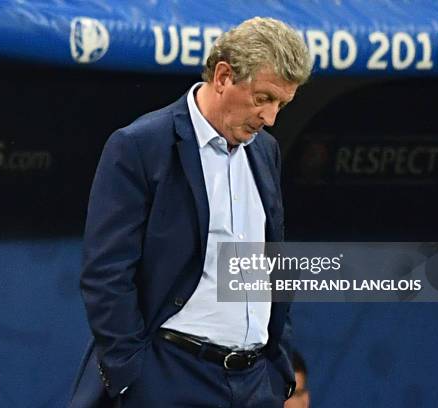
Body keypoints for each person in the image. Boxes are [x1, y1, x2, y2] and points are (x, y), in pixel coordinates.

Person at [69, 16, 312, 408]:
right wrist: (134, 376)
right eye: (263, 98)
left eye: (282, 104)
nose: (270, 118)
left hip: (254, 385)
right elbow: (106, 274)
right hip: (170, 377)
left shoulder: (266, 151)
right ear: (222, 76)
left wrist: (276, 366)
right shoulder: (141, 146)